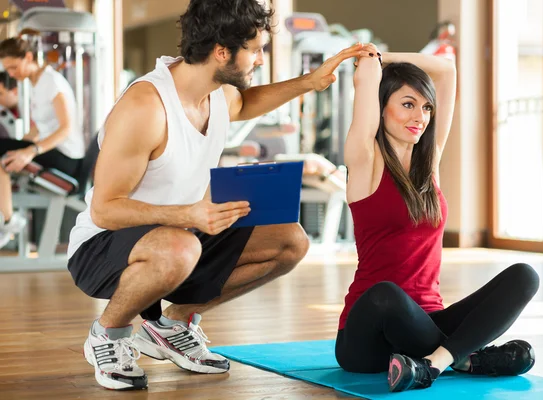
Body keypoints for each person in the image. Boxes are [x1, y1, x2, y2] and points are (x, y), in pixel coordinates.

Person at [66, 0, 369, 391]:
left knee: (290, 241)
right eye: (255, 50)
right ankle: (108, 334)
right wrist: (190, 214)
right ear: (222, 52)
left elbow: (245, 103)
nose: (260, 59)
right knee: (181, 248)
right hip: (102, 245)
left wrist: (311, 82)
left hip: (182, 232)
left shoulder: (220, 93)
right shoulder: (146, 107)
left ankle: (171, 325)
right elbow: (105, 209)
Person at [335, 44, 540, 393]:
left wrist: (386, 56)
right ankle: (469, 359)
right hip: (368, 336)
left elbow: (446, 70)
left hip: (428, 322)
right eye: (407, 104)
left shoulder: (428, 166)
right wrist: (374, 60)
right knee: (386, 294)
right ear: (381, 109)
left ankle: (434, 364)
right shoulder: (365, 159)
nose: (421, 116)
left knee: (525, 276)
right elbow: (367, 74)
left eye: (426, 106)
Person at [0, 35, 84, 249]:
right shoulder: (38, 83)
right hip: (54, 150)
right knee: (4, 149)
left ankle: (9, 221)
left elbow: (66, 128)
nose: (11, 74)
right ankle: (6, 215)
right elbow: (43, 127)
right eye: (7, 69)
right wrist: (20, 143)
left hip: (67, 158)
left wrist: (29, 152)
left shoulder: (51, 82)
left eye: (14, 67)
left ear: (28, 57)